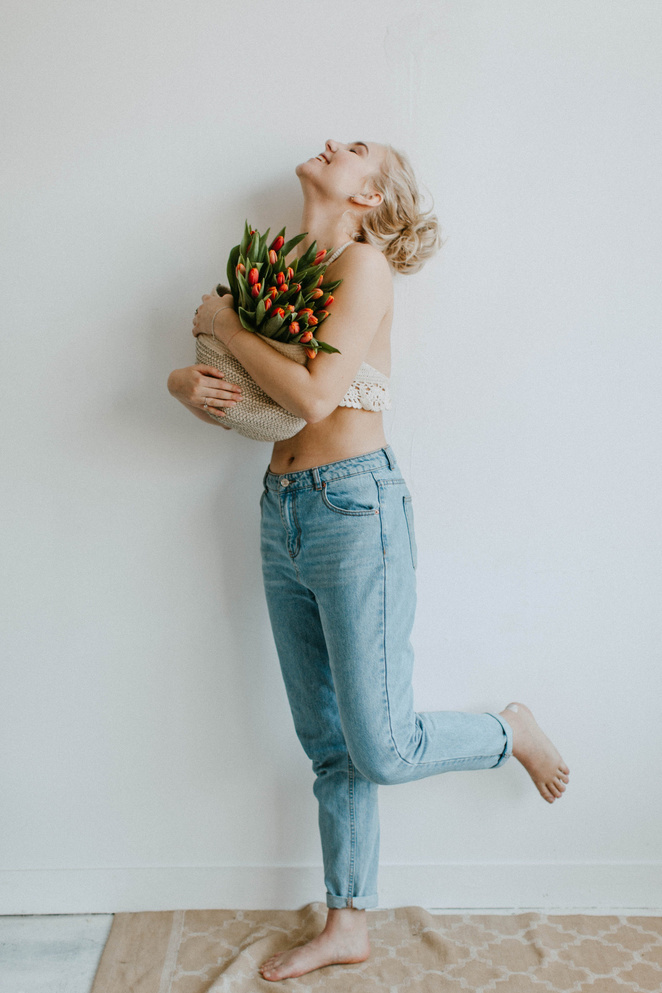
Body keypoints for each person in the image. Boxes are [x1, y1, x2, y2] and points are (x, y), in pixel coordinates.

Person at [167, 138, 570, 982]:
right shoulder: (275, 264)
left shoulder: (363, 269)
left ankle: (509, 731)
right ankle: (348, 920)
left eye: (357, 151)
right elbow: (241, 383)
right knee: (329, 743)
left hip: (355, 508)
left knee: (382, 744)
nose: (333, 145)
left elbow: (314, 391)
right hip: (280, 509)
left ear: (370, 197)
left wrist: (224, 323)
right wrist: (185, 382)